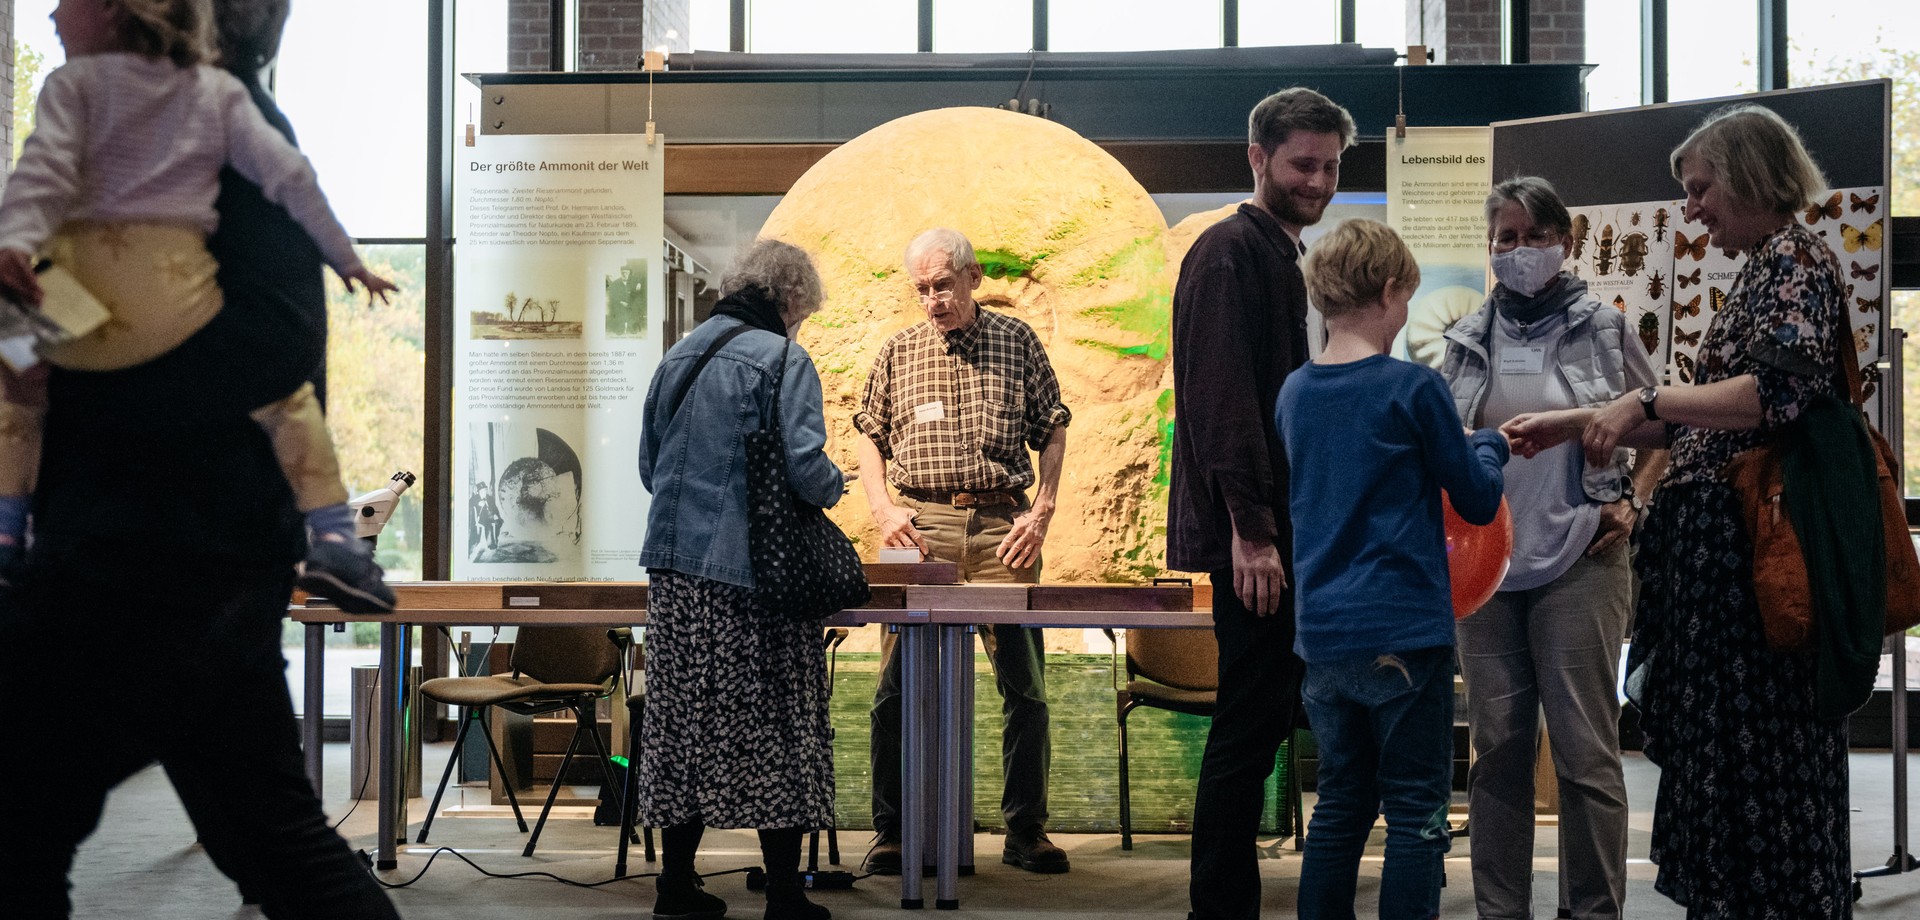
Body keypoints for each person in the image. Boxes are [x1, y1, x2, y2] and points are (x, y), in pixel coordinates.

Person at [0, 0, 405, 916]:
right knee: (268, 837)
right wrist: (30, 333)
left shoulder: (227, 124)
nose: (57, 11)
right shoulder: (137, 126)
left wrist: (70, 368)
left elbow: (274, 339)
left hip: (151, 556)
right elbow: (97, 311)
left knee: (22, 822)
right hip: (172, 550)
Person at [1505, 103, 1856, 918]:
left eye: (1701, 191)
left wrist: (1644, 400)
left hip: (1753, 585)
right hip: (1721, 583)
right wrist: (1572, 422)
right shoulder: (1766, 267)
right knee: (1724, 766)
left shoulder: (1795, 263)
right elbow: (1696, 412)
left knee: (1760, 765)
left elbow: (1775, 393)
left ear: (1750, 178)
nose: (1691, 210)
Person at [0, 0, 397, 611]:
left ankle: (6, 526)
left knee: (17, 398)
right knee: (290, 407)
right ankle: (336, 536)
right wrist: (349, 261)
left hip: (168, 544)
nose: (51, 13)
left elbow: (40, 176)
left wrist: (15, 248)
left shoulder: (77, 88)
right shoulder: (217, 101)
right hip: (169, 301)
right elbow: (295, 183)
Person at [1437, 176, 1660, 920]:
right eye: (1506, 237)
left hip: (1584, 561)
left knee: (1584, 751)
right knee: (1496, 750)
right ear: (1491, 247)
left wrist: (1634, 499)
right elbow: (1441, 453)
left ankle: (1592, 911)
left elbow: (1663, 426)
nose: (1521, 250)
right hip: (1486, 573)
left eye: (1536, 235)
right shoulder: (1465, 341)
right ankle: (1502, 911)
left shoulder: (1605, 326)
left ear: (1564, 242)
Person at [1280, 217, 1508, 920]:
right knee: (1416, 809)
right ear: (1387, 290)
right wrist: (1492, 447)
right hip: (1404, 628)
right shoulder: (1414, 389)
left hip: (1322, 634)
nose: (1407, 310)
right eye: (1406, 296)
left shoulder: (1293, 392)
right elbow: (1473, 495)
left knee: (1341, 802)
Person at [1166, 85, 1353, 920]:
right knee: (1247, 730)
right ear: (1258, 158)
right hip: (1258, 541)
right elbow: (1220, 403)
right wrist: (1252, 532)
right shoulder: (1227, 253)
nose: (1317, 180)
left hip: (1288, 534)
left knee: (1263, 721)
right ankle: (1222, 905)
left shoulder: (1286, 258)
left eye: (1330, 165)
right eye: (1301, 163)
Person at [637, 238, 845, 920]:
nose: (799, 324)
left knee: (681, 726)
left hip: (671, 573)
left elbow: (649, 466)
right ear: (789, 299)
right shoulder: (782, 359)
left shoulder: (677, 356)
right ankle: (785, 894)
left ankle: (675, 887)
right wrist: (839, 484)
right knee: (778, 723)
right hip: (754, 578)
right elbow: (806, 468)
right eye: (802, 312)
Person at [855, 227, 1071, 876]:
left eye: (942, 285)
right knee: (895, 688)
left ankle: (1026, 830)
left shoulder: (1017, 341)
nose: (932, 300)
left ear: (973, 277)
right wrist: (883, 508)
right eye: (921, 289)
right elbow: (868, 435)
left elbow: (1053, 426)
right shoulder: (899, 352)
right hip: (920, 529)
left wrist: (1044, 509)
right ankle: (894, 830)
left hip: (1003, 527)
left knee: (1024, 688)